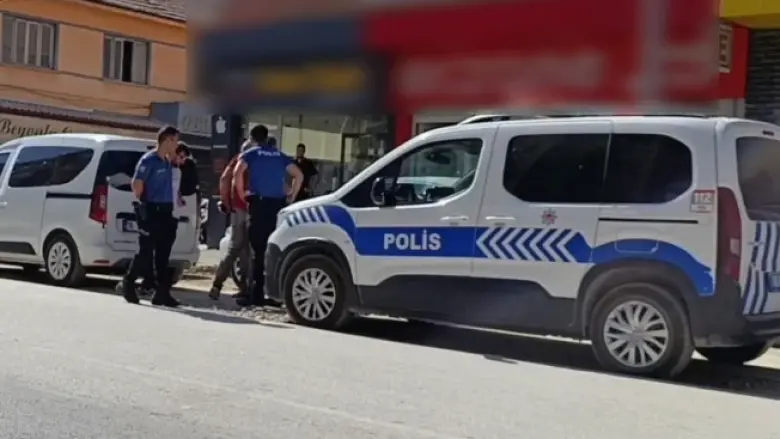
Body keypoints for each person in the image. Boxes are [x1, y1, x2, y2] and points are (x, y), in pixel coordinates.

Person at [233, 124, 303, 307]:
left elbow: (237, 173)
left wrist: (242, 194)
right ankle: (272, 294)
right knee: (274, 248)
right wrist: (291, 197)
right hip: (277, 206)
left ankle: (256, 295)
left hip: (259, 205)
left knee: (258, 250)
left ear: (252, 139)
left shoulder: (251, 153)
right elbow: (299, 175)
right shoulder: (280, 155)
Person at [120, 125, 181, 307]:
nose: (177, 145)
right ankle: (128, 283)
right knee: (145, 251)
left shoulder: (167, 161)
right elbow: (137, 184)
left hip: (166, 211)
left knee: (163, 253)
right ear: (167, 140)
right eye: (175, 141)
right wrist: (144, 203)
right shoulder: (149, 160)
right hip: (152, 210)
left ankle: (162, 293)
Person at [208, 139, 254, 300]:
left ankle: (217, 284)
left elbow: (224, 180)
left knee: (235, 248)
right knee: (249, 250)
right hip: (250, 207)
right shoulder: (253, 160)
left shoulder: (236, 159)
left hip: (236, 210)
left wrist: (227, 203)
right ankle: (247, 288)